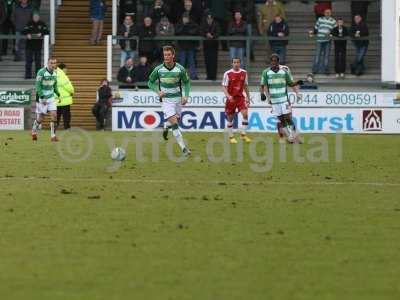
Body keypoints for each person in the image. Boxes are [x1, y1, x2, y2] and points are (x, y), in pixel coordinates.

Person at [147, 45, 191, 156]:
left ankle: (166, 125)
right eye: (165, 55)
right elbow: (150, 82)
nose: (166, 57)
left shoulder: (180, 69)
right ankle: (184, 149)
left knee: (176, 121)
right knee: (175, 124)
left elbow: (186, 82)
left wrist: (186, 96)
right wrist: (158, 91)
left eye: (168, 55)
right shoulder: (158, 69)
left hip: (178, 99)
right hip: (166, 101)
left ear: (173, 55)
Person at [260, 53, 302, 143]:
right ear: (270, 62)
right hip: (274, 100)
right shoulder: (266, 72)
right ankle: (284, 137)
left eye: (276, 61)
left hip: (284, 98)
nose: (274, 62)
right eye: (272, 61)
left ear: (279, 61)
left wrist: (297, 91)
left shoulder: (285, 70)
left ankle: (294, 137)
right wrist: (266, 96)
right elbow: (264, 85)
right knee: (280, 119)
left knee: (288, 117)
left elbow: (291, 83)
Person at [222, 57, 251, 144]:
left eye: (238, 62)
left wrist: (248, 97)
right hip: (231, 99)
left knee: (245, 114)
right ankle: (231, 137)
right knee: (230, 118)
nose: (236, 64)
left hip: (240, 98)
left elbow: (245, 86)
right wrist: (228, 96)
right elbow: (224, 86)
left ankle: (243, 134)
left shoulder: (244, 73)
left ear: (240, 63)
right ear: (232, 63)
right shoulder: (228, 73)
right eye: (234, 62)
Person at [31, 57, 60, 141]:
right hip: (42, 97)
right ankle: (33, 131)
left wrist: (58, 93)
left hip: (51, 97)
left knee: (54, 115)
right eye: (51, 63)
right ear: (48, 63)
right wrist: (42, 96)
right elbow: (38, 85)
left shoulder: (55, 73)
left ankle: (53, 136)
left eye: (54, 63)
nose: (53, 65)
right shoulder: (41, 72)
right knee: (40, 118)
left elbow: (54, 85)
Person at [22, 11, 48, 78]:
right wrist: (27, 34)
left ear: (39, 17)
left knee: (38, 62)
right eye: (34, 17)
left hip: (38, 46)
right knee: (28, 62)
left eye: (37, 17)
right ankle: (28, 76)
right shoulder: (29, 23)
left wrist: (41, 33)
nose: (36, 18)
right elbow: (23, 31)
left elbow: (47, 31)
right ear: (32, 17)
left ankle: (38, 76)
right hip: (29, 46)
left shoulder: (42, 23)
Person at [309, 8, 336, 75]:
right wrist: (312, 33)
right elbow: (316, 28)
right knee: (317, 55)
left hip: (328, 40)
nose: (327, 13)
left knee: (326, 56)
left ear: (331, 13)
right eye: (326, 12)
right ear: (324, 13)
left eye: (329, 12)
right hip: (319, 40)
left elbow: (335, 31)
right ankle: (314, 70)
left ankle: (326, 70)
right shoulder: (320, 19)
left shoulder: (333, 21)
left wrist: (331, 33)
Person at [175, 12, 199, 80]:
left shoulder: (193, 24)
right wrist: (183, 26)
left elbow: (194, 31)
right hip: (182, 46)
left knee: (192, 62)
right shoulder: (179, 24)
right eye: (184, 18)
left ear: (189, 18)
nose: (185, 19)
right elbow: (177, 31)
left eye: (186, 18)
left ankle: (193, 76)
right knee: (182, 62)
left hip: (190, 46)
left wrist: (186, 27)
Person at [201, 12, 220, 80]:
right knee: (207, 61)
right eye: (208, 18)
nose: (209, 20)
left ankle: (213, 76)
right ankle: (208, 76)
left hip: (214, 45)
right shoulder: (204, 24)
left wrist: (212, 36)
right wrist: (206, 34)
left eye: (210, 18)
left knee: (214, 61)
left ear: (212, 19)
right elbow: (201, 32)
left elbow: (218, 33)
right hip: (206, 45)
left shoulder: (216, 24)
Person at [56, 63, 74, 130]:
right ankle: (67, 127)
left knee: (57, 115)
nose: (67, 70)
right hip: (65, 100)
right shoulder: (63, 76)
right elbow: (68, 87)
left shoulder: (54, 75)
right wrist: (72, 91)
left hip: (57, 100)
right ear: (62, 69)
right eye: (66, 68)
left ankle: (54, 127)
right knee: (66, 116)